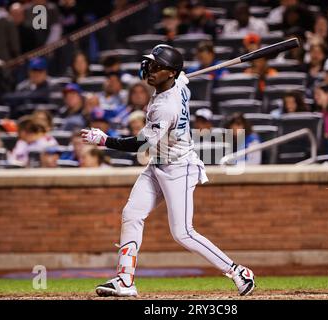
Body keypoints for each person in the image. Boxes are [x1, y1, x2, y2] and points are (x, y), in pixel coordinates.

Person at [81, 44, 255, 297]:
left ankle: (238, 271)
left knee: (183, 233)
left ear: (171, 72)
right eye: (151, 64)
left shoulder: (166, 106)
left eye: (158, 66)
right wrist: (178, 78)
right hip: (158, 164)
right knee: (132, 214)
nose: (151, 70)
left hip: (179, 168)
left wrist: (105, 140)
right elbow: (180, 86)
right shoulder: (180, 85)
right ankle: (125, 280)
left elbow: (141, 144)